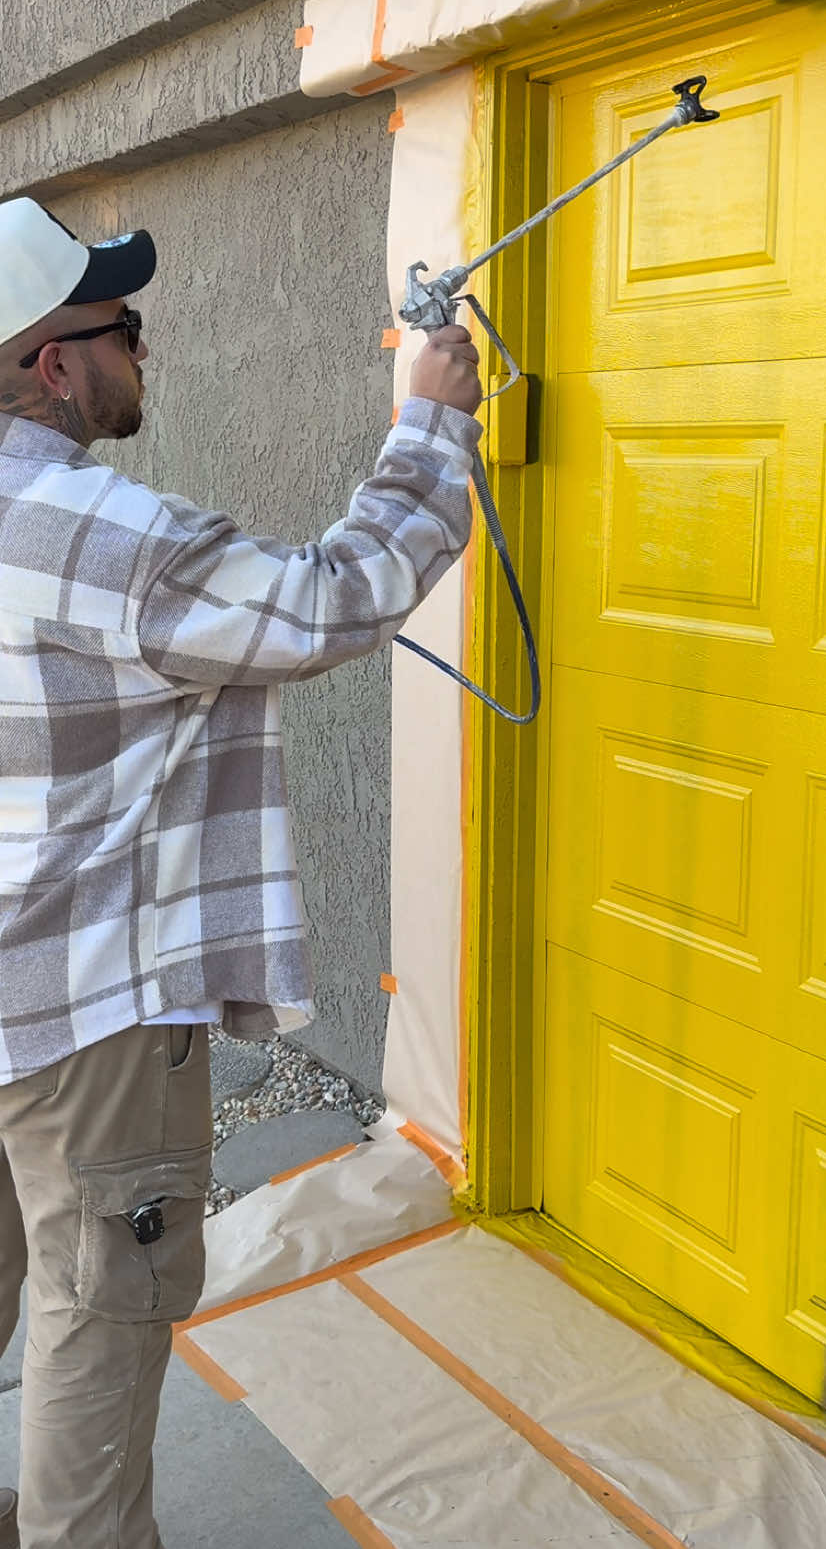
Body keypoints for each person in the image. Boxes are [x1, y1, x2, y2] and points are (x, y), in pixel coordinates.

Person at [0, 196, 483, 1548]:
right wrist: (430, 418)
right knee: (98, 1312)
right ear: (55, 364)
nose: (141, 351)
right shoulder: (93, 531)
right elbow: (334, 597)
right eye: (122, 327)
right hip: (81, 1016)